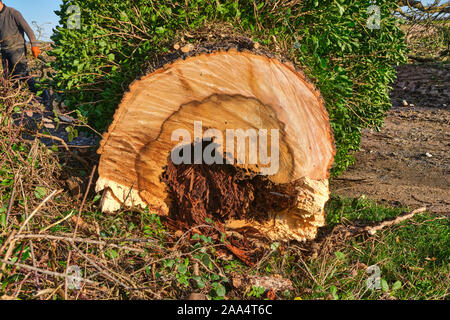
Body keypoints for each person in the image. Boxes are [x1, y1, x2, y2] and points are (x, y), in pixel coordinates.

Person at [0, 0, 40, 93]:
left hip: (17, 50)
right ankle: (17, 102)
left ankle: (42, 93)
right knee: (9, 79)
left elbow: (28, 30)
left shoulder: (13, 12)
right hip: (4, 51)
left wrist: (34, 45)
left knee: (23, 76)